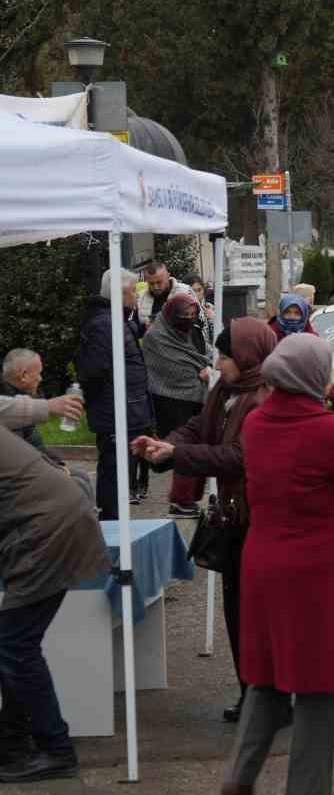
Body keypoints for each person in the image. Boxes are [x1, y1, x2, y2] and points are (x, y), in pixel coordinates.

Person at [220, 334, 334, 795]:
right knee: (318, 687)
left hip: (263, 561)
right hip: (319, 570)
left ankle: (239, 775)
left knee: (266, 677)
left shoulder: (255, 423)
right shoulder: (332, 431)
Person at [133, 319, 278, 722]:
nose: (218, 362)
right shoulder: (228, 390)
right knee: (237, 612)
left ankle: (269, 699)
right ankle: (252, 692)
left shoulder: (264, 396)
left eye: (225, 355)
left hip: (259, 520)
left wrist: (176, 455)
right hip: (235, 518)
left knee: (258, 615)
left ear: (247, 356)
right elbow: (201, 428)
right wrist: (169, 444)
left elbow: (238, 457)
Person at [0, 424, 109, 783]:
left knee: (15, 645)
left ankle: (56, 750)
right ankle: (14, 743)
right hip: (54, 524)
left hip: (49, 534)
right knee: (14, 644)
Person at [77, 268, 156, 516]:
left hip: (126, 410)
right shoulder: (105, 324)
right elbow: (93, 372)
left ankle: (115, 521)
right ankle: (111, 528)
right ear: (121, 294)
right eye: (133, 291)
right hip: (117, 414)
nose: (136, 297)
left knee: (122, 474)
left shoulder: (116, 321)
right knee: (115, 475)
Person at [141, 292, 210, 517]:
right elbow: (165, 369)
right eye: (184, 315)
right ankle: (181, 499)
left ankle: (189, 497)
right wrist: (197, 376)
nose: (189, 319)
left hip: (196, 398)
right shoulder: (156, 336)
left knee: (196, 448)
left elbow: (201, 356)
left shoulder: (193, 331)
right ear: (172, 315)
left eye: (193, 314)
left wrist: (206, 372)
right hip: (170, 400)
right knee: (183, 450)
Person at [0, 349, 76, 463]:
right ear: (24, 375)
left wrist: (59, 464)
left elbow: (35, 445)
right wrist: (57, 468)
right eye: (39, 373)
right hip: (19, 474)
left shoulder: (17, 398)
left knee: (78, 477)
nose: (41, 379)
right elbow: (25, 456)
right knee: (78, 479)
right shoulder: (13, 410)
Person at [137, 261, 193, 325]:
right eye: (151, 283)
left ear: (168, 276)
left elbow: (199, 322)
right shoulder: (141, 297)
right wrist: (144, 327)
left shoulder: (185, 291)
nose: (155, 287)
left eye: (159, 282)